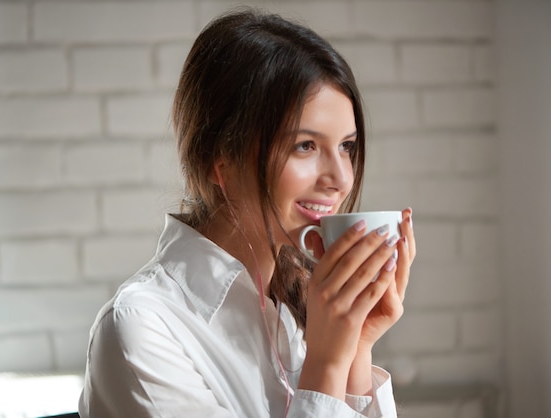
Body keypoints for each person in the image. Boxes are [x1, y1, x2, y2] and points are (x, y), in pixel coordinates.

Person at [78, 8, 416, 418]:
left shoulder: (301, 311)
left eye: (346, 146)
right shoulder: (140, 329)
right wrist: (326, 364)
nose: (341, 178)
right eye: (305, 146)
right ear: (221, 162)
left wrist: (356, 347)